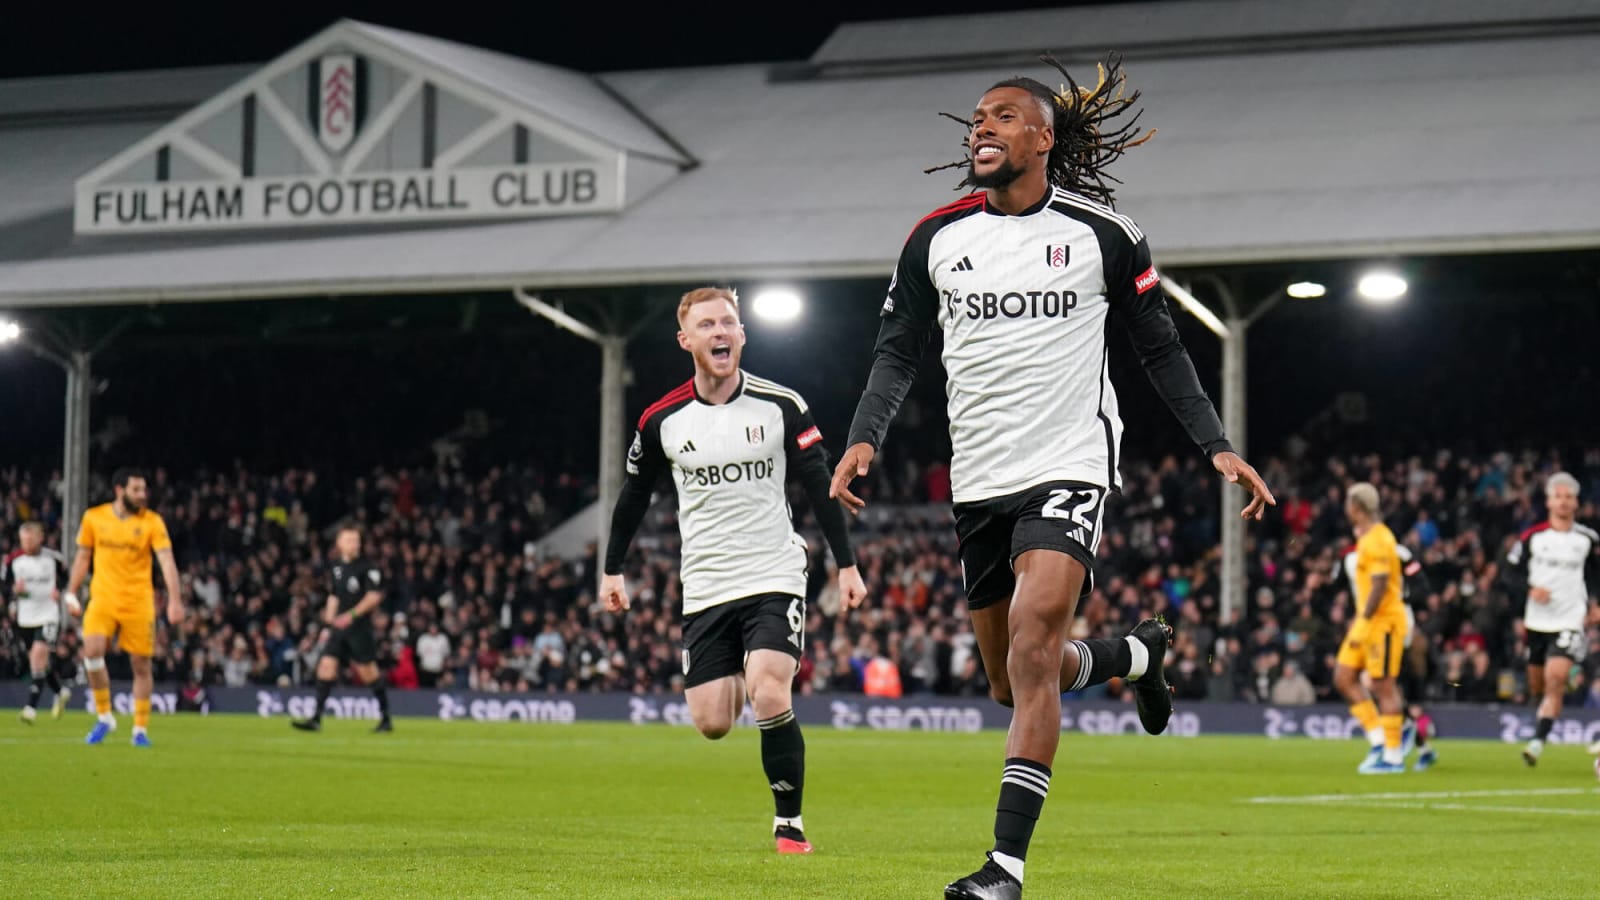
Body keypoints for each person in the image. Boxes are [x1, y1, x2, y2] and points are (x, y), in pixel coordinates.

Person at [829, 57, 1274, 898]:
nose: (981, 128)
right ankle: (1134, 655)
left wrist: (1216, 442)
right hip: (980, 478)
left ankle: (1004, 868)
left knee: (1034, 644)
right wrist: (864, 437)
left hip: (1069, 462)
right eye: (975, 119)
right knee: (1010, 680)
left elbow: (1160, 348)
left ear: (1043, 136)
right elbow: (897, 350)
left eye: (1001, 117)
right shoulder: (936, 238)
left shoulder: (1106, 234)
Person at [600, 286, 867, 856]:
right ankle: (754, 681)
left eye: (728, 323)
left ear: (742, 334)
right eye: (707, 325)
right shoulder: (662, 420)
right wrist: (612, 569)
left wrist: (847, 564)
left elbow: (820, 489)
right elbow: (633, 496)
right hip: (705, 583)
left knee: (769, 691)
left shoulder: (781, 406)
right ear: (686, 340)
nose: (720, 332)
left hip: (773, 570)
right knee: (713, 722)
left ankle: (789, 824)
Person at [65, 469, 185, 747]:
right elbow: (83, 557)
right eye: (136, 490)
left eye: (144, 490)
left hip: (138, 601)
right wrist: (71, 591)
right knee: (92, 653)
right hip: (103, 597)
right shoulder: (94, 517)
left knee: (141, 664)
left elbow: (166, 561)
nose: (143, 495)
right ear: (119, 490)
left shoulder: (153, 522)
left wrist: (175, 600)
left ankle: (139, 730)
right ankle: (105, 715)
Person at [1503, 472, 1598, 767]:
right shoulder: (1532, 538)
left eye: (1569, 497)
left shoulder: (1587, 539)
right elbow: (1508, 574)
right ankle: (1564, 688)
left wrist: (1595, 604)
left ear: (1576, 503)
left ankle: (1537, 742)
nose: (1563, 502)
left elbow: (1595, 575)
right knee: (1538, 687)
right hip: (1537, 622)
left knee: (1554, 678)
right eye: (1558, 497)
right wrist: (1530, 590)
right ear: (1548, 501)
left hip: (1570, 618)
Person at [1331, 483, 1408, 774]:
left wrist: (1364, 617)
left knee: (1383, 686)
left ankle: (1393, 755)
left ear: (1356, 508)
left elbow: (1379, 584)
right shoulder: (1369, 537)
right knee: (1343, 676)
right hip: (1367, 622)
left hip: (1383, 622)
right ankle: (1378, 740)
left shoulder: (1378, 540)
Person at [291, 524, 392, 733]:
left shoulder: (368, 568)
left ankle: (386, 718)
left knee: (368, 672)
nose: (354, 544)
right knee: (326, 666)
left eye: (356, 540)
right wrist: (329, 619)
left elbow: (373, 596)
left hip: (359, 628)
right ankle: (316, 718)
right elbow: (335, 594)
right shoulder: (336, 567)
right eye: (349, 540)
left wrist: (351, 615)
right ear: (339, 543)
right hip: (339, 627)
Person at [3, 522, 73, 722]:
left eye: (30, 539)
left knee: (38, 655)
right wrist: (13, 592)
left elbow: (66, 578)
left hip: (48, 615)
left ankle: (30, 708)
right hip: (25, 617)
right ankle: (60, 692)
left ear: (40, 538)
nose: (27, 543)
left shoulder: (53, 559)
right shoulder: (13, 561)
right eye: (23, 539)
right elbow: (5, 587)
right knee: (39, 663)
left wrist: (59, 590)